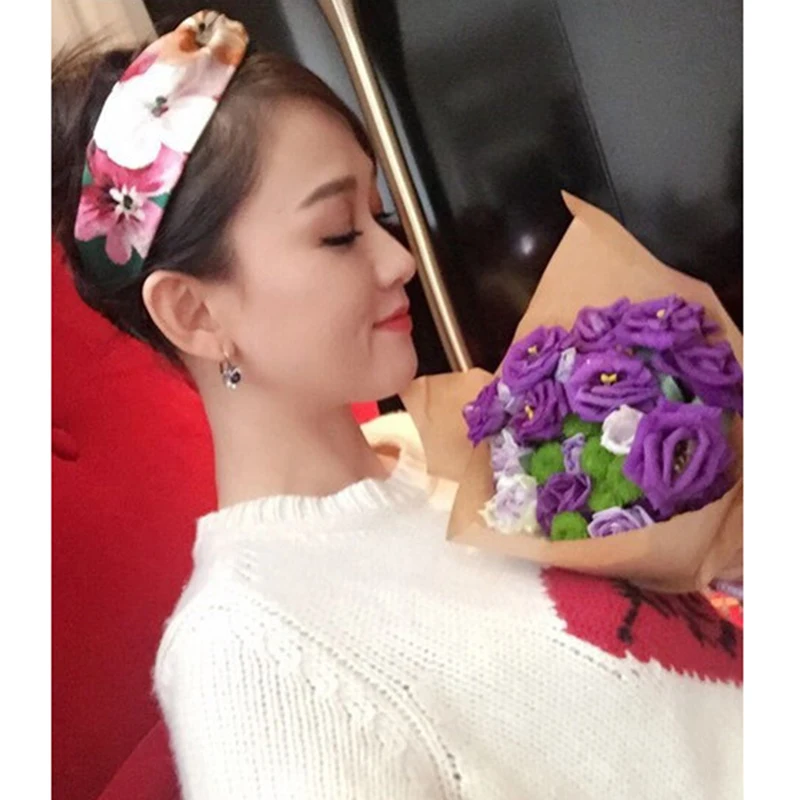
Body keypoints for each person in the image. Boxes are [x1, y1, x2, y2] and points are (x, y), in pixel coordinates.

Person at [51, 10, 742, 800]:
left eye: (377, 215)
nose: (399, 258)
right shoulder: (251, 654)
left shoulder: (429, 453)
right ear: (194, 312)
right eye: (338, 233)